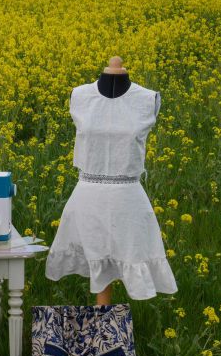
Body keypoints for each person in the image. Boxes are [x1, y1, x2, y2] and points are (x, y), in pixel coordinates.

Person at [45, 57, 177, 303]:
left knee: (126, 260)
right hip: (87, 200)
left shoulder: (146, 99)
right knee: (96, 264)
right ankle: (101, 330)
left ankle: (111, 330)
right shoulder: (81, 96)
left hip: (128, 201)